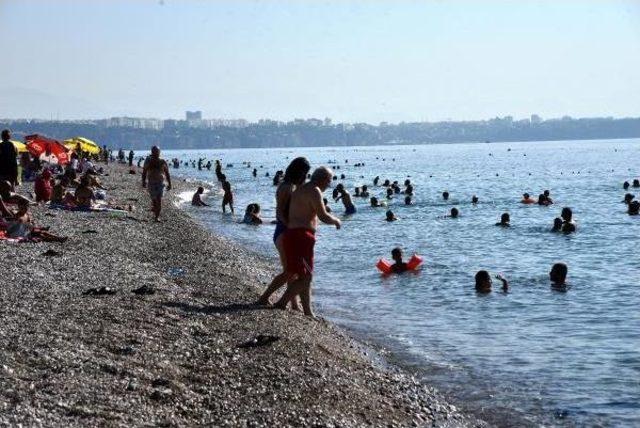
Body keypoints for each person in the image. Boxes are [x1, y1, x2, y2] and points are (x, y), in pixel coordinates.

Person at [273, 166, 341, 317]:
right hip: (302, 236)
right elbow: (323, 216)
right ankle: (282, 303)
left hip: (293, 234)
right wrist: (336, 221)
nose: (329, 185)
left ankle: (307, 311)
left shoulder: (301, 188)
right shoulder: (314, 190)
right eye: (329, 181)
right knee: (306, 276)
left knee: (300, 274)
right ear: (323, 179)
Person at [257, 157, 311, 307]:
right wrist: (290, 228)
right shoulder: (286, 187)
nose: (305, 175)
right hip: (284, 231)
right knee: (290, 270)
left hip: (287, 231)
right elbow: (279, 212)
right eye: (305, 173)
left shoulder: (292, 186)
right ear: (298, 171)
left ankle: (293, 303)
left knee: (291, 270)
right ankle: (264, 297)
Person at [142, 146, 172, 222]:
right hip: (151, 183)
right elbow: (144, 171)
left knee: (159, 199)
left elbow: (167, 173)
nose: (156, 153)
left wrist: (170, 183)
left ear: (159, 152)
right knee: (154, 200)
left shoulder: (162, 161)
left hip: (160, 183)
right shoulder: (148, 161)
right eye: (154, 151)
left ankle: (157, 217)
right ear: (152, 152)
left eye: (157, 152)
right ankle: (155, 210)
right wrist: (143, 181)